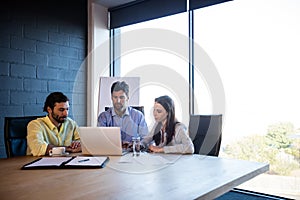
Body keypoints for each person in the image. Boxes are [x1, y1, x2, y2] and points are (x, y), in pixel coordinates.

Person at [27, 92, 81, 156]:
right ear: (49, 109)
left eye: (67, 109)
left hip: (65, 162)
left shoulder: (71, 123)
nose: (65, 114)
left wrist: (77, 144)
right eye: (61, 110)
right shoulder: (35, 125)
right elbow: (38, 148)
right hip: (38, 163)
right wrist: (67, 149)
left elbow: (84, 144)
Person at [97, 81, 148, 146]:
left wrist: (136, 144)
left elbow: (146, 139)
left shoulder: (138, 116)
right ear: (111, 98)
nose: (118, 101)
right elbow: (100, 140)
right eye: (115, 97)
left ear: (127, 98)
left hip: (132, 153)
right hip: (111, 154)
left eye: (121, 97)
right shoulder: (103, 117)